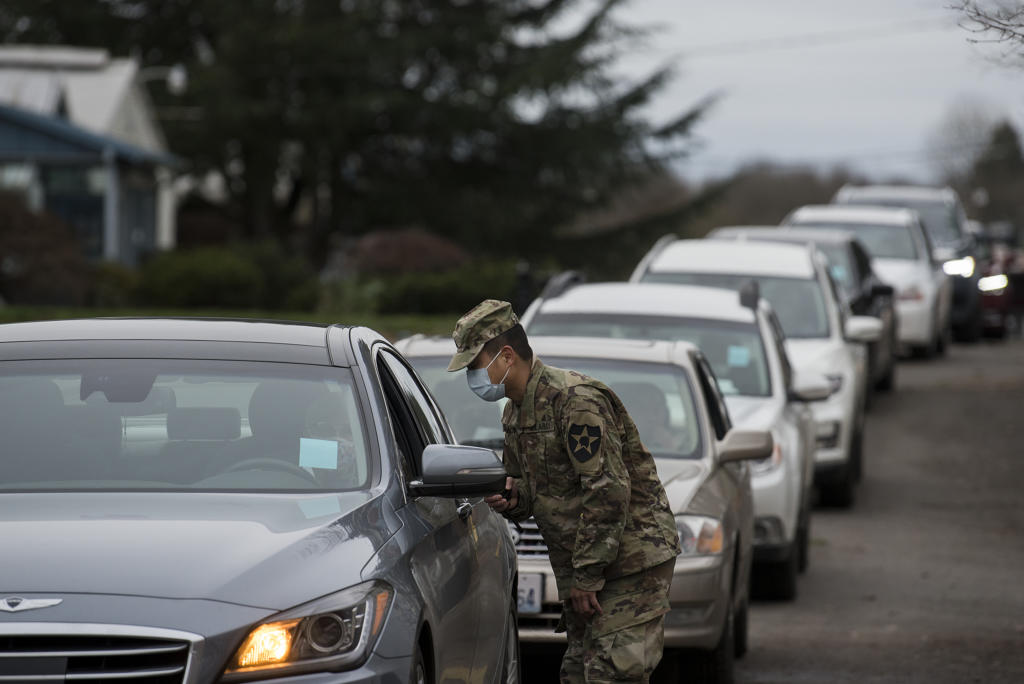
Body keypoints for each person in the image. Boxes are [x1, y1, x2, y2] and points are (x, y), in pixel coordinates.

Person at [447, 299, 681, 684]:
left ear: (506, 356)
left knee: (612, 673)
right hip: (586, 567)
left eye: (475, 365)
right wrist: (513, 498)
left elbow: (607, 491)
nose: (473, 376)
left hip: (629, 562)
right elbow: (534, 488)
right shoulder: (516, 411)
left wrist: (587, 575)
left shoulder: (575, 400)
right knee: (578, 672)